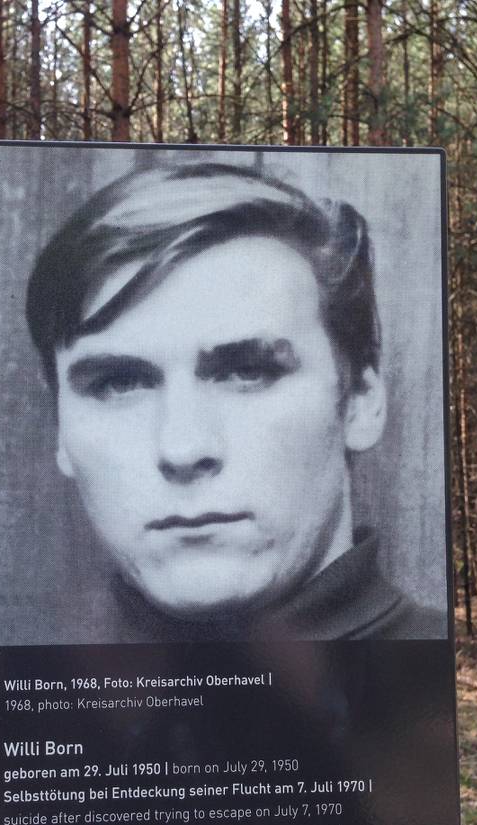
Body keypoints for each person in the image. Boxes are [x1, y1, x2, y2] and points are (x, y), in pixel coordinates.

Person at [25, 162, 443, 641]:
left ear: (361, 400)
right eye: (119, 384)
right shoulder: (45, 703)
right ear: (60, 426)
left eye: (247, 373)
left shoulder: (436, 688)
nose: (182, 449)